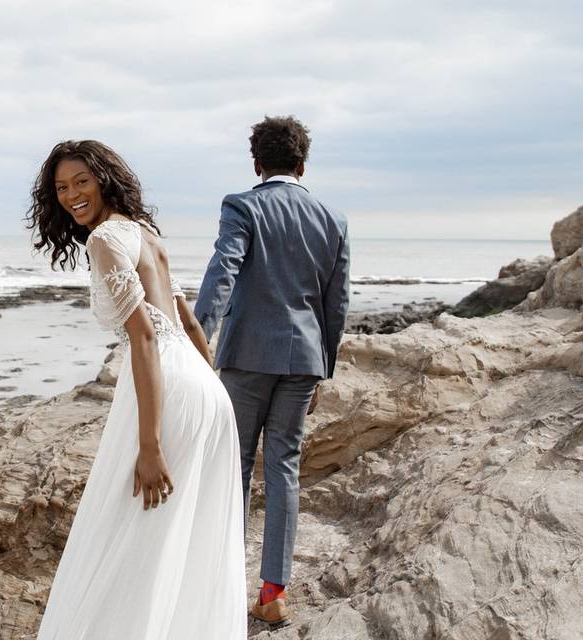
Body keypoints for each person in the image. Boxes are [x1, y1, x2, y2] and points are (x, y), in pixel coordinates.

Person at [28, 140, 247, 639]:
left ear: (104, 178)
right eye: (61, 187)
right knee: (183, 537)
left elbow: (145, 335)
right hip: (200, 386)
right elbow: (188, 320)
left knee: (134, 539)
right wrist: (213, 390)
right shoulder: (145, 233)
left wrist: (149, 446)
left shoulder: (106, 239)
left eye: (81, 181)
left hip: (167, 383)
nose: (71, 195)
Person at [194, 116, 350, 628]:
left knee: (233, 466)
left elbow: (224, 270)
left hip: (246, 357)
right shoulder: (332, 218)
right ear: (303, 164)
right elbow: (336, 304)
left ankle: (223, 584)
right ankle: (273, 592)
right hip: (304, 358)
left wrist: (198, 336)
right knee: (283, 467)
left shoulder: (242, 205)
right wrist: (322, 368)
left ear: (256, 163)